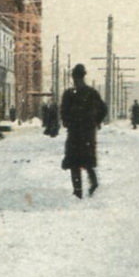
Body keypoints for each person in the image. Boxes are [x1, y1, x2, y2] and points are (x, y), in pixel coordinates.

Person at [59, 63, 107, 199]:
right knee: (86, 161)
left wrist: (68, 122)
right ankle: (90, 185)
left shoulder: (70, 94)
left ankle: (79, 191)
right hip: (86, 132)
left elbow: (63, 112)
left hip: (76, 132)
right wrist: (95, 122)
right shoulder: (91, 93)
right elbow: (103, 109)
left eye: (76, 77)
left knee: (76, 162)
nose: (76, 80)